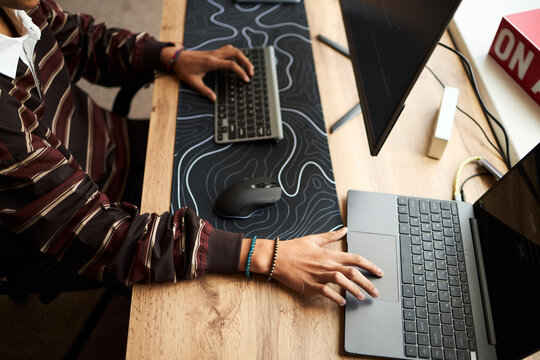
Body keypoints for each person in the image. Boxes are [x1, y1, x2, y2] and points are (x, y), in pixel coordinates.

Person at [0, 0, 383, 307]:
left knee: (249, 155)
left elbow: (80, 40)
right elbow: (99, 233)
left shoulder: (18, 5)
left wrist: (169, 56)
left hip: (117, 149)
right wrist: (265, 257)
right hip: (101, 224)